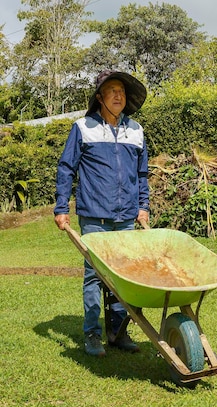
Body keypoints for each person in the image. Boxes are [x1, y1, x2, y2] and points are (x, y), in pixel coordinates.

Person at [54, 70, 150, 357]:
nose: (118, 95)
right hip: (94, 215)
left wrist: (143, 206)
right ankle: (93, 335)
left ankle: (118, 333)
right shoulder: (83, 128)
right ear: (100, 98)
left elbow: (142, 173)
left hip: (125, 218)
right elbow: (66, 168)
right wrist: (61, 207)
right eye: (112, 90)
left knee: (124, 276)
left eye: (121, 90)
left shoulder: (136, 131)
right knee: (95, 276)